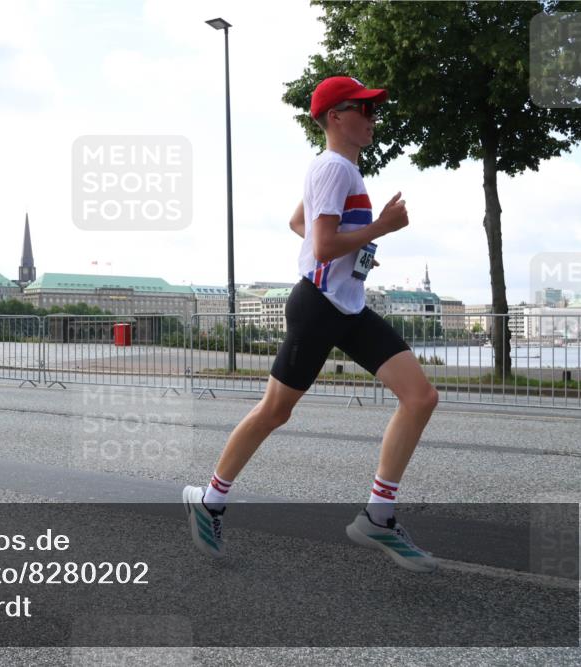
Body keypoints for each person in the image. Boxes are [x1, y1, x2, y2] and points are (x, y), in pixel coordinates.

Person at [184, 76, 439, 573]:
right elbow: (320, 246)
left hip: (346, 303)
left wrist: (358, 246)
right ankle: (209, 500)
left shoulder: (341, 170)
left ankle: (378, 517)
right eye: (361, 109)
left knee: (421, 397)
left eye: (372, 109)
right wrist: (379, 229)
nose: (371, 117)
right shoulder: (332, 167)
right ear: (333, 118)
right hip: (319, 305)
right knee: (275, 411)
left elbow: (301, 223)